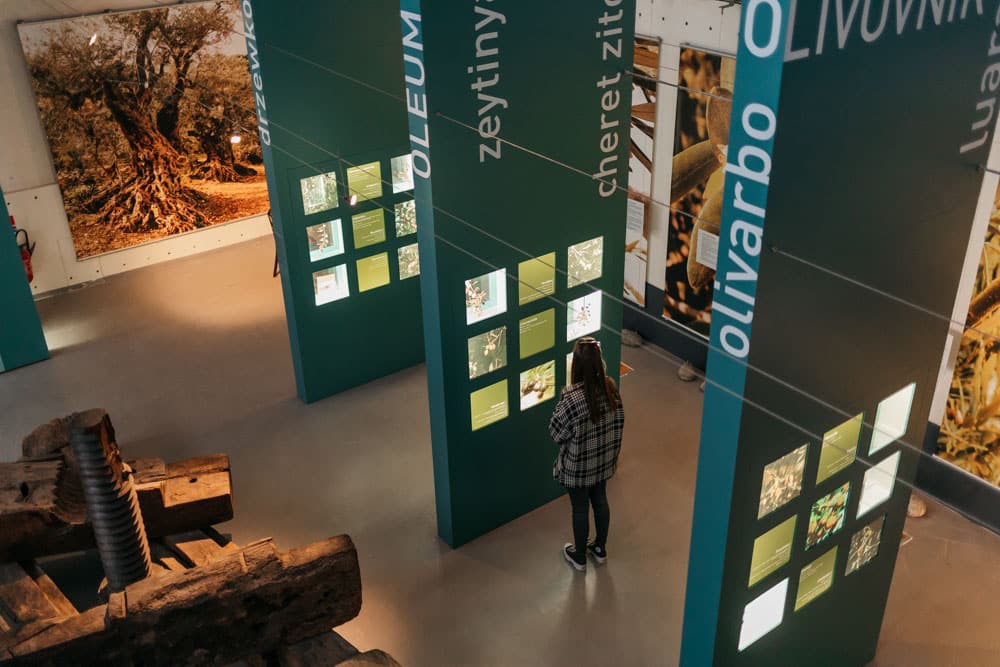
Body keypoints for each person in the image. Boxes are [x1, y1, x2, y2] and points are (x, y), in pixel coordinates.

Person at [549, 337, 625, 571]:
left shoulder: (571, 399)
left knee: (580, 508)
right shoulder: (611, 390)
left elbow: (555, 433)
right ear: (600, 364)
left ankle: (579, 556)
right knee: (600, 501)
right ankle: (600, 549)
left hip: (578, 467)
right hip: (602, 463)